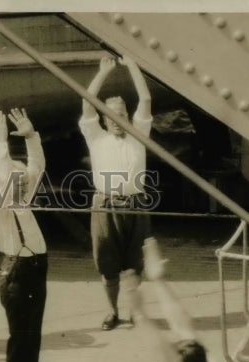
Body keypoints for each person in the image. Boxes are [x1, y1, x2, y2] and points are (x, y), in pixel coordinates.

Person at [0, 108, 57, 362]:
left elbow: (37, 166)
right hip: (16, 273)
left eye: (23, 179)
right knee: (19, 338)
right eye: (17, 178)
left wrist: (29, 136)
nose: (24, 181)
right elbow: (5, 175)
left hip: (36, 269)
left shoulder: (23, 200)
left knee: (33, 334)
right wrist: (2, 145)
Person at [79, 54, 154, 331]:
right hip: (105, 205)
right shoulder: (96, 137)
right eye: (109, 115)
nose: (115, 120)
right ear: (103, 118)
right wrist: (103, 72)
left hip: (135, 204)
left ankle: (136, 311)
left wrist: (133, 65)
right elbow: (86, 102)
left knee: (136, 262)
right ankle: (112, 311)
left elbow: (145, 100)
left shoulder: (138, 134)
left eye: (120, 114)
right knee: (107, 265)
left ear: (127, 116)